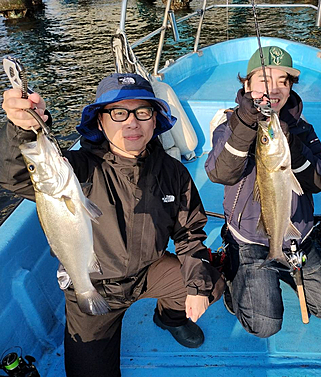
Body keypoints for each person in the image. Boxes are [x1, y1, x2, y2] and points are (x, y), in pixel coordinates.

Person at [0, 73, 225, 377]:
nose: (132, 122)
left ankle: (169, 317)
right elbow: (16, 174)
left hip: (149, 272)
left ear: (155, 120)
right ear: (101, 122)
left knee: (211, 281)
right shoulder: (77, 169)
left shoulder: (173, 173)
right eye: (119, 113)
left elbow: (189, 234)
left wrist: (198, 288)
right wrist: (22, 129)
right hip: (93, 282)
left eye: (142, 112)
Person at [205, 46, 321, 338]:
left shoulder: (302, 128)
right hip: (249, 238)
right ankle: (234, 275)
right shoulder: (229, 125)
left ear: (290, 89)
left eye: (282, 81)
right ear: (247, 85)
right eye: (263, 79)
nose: (273, 89)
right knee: (264, 325)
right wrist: (247, 125)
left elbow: (320, 180)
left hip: (295, 236)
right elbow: (219, 172)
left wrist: (295, 145)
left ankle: (284, 266)